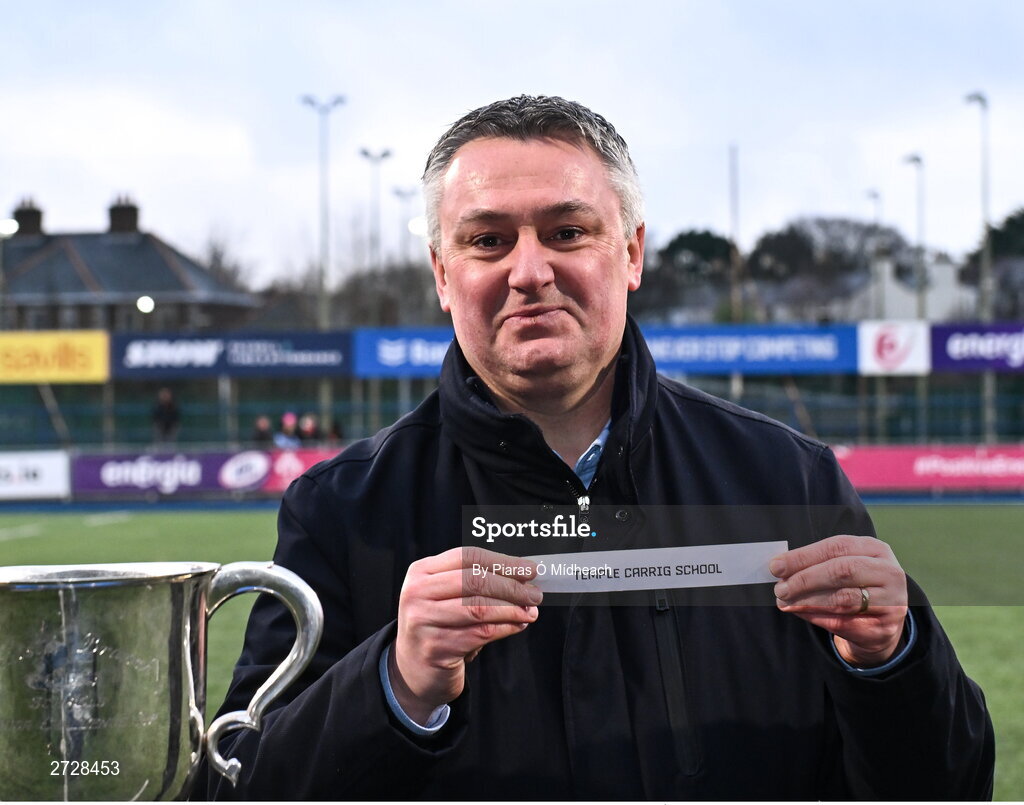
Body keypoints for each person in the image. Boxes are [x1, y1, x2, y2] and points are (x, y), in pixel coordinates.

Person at [202, 96, 993, 800]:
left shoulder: (789, 479)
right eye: (487, 240)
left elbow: (948, 786)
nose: (530, 270)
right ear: (443, 276)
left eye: (567, 231)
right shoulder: (342, 510)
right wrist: (393, 687)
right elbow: (239, 786)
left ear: (632, 252)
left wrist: (894, 660)